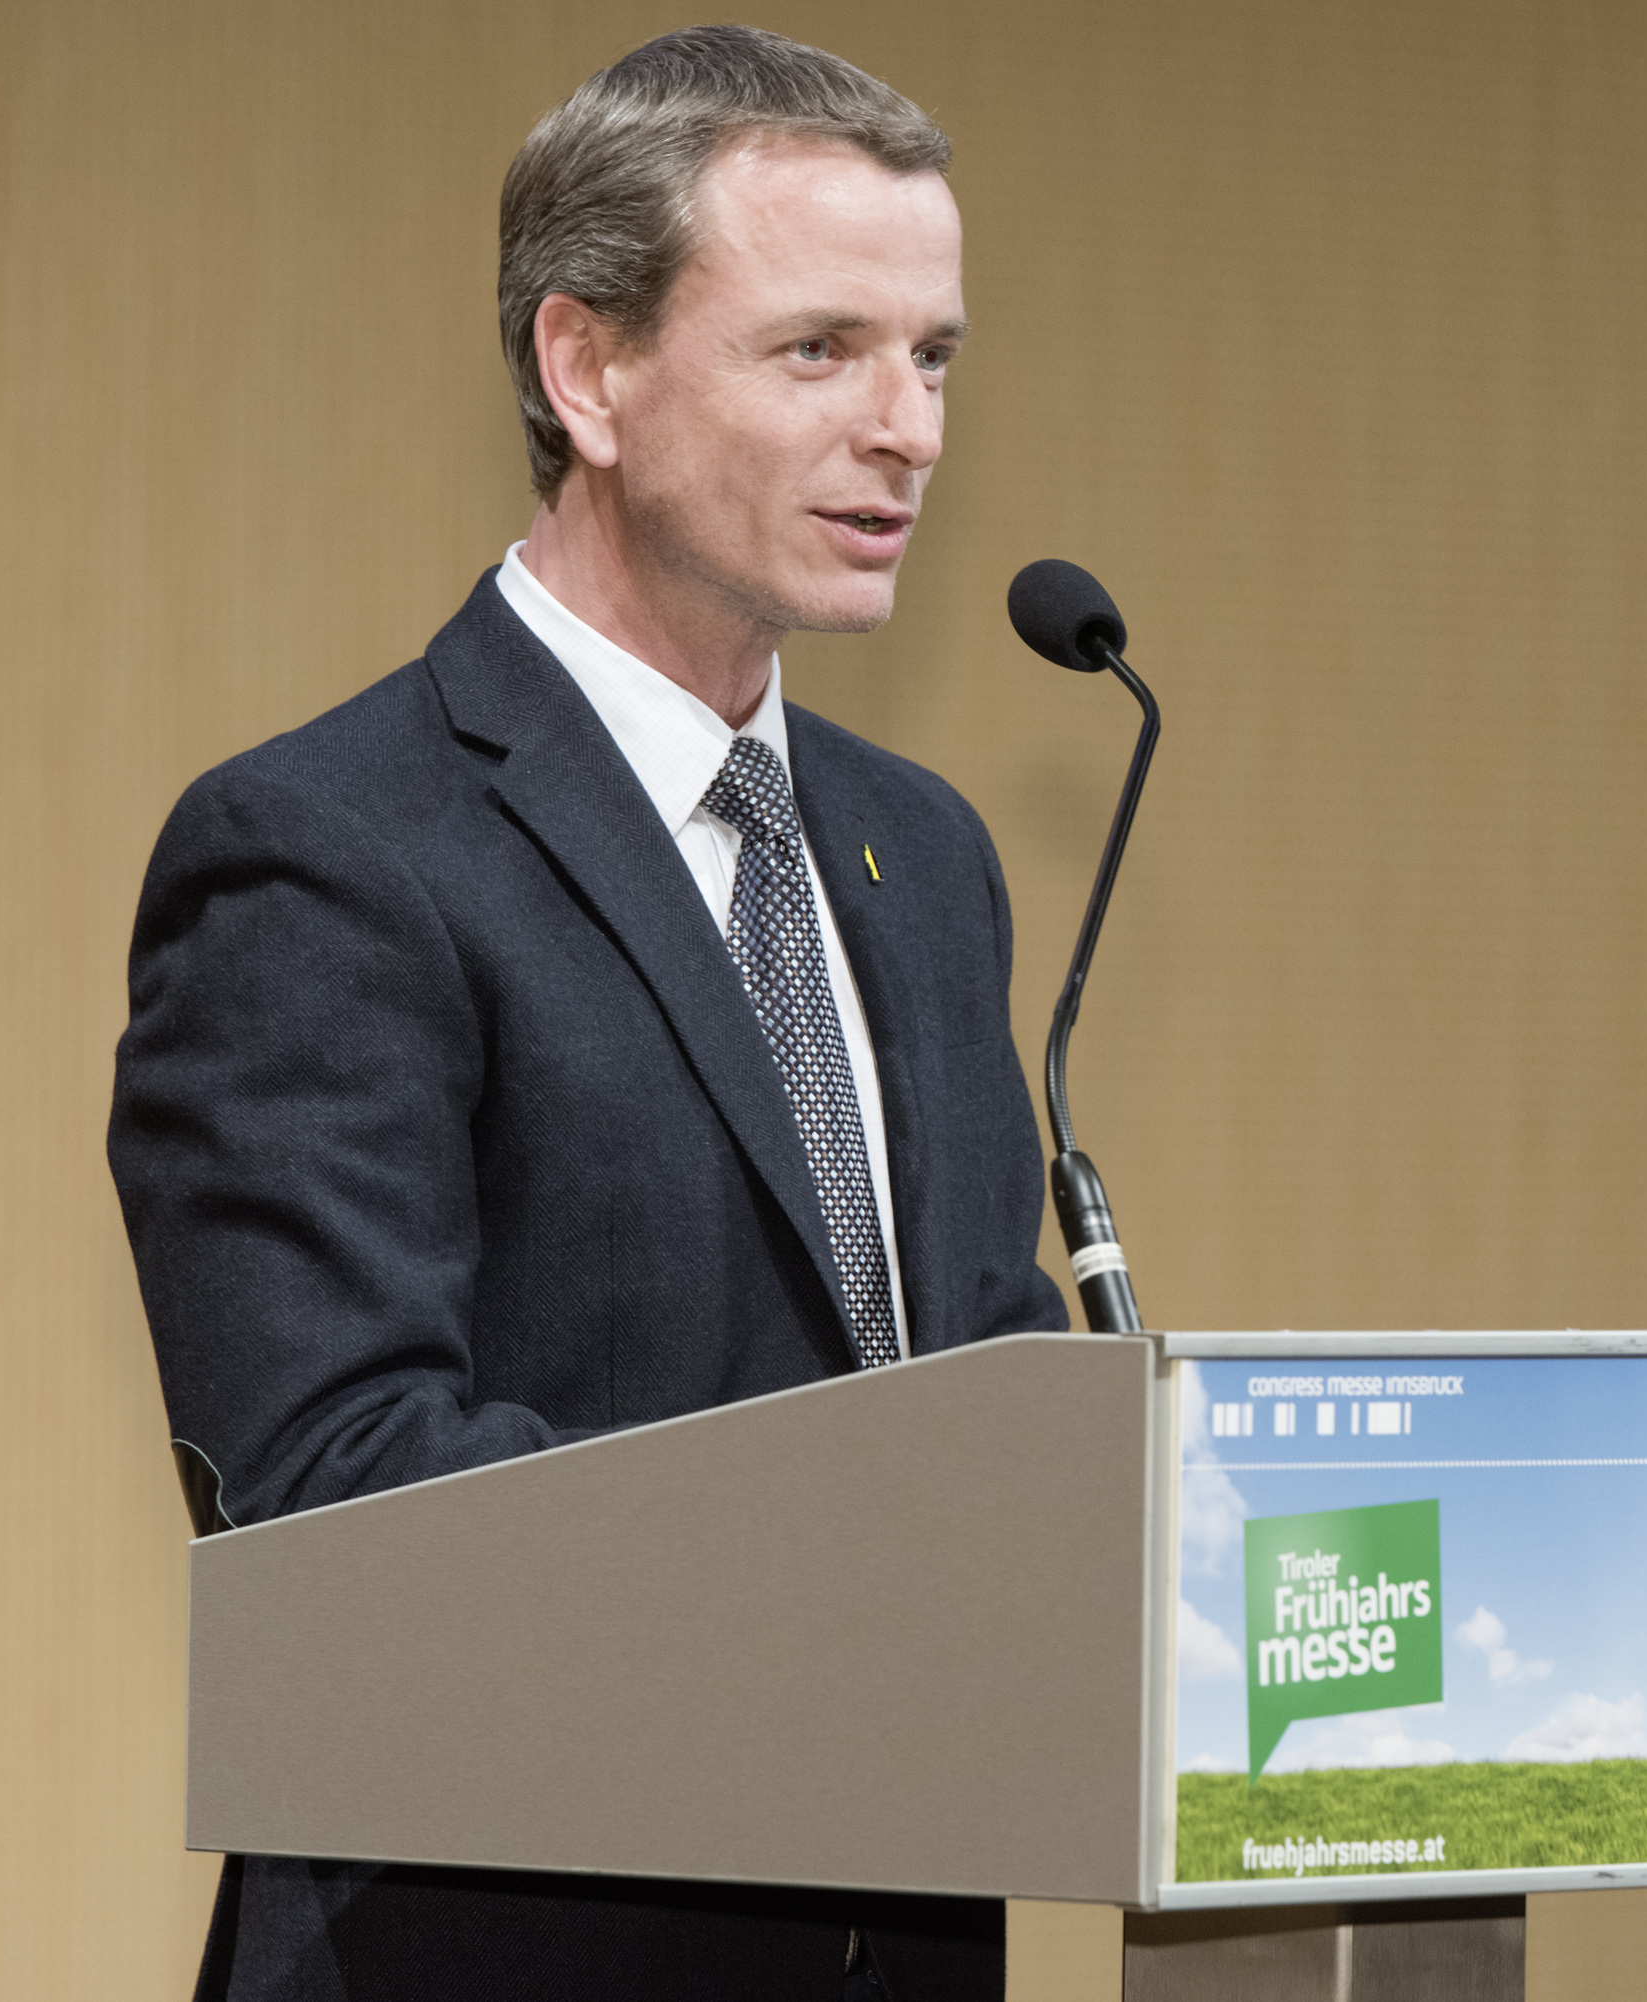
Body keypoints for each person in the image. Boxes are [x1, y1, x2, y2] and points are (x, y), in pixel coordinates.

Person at [107, 26, 1066, 2001]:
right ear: (588, 369)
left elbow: (984, 1402)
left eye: (936, 353)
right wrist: (859, 1609)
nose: (909, 427)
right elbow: (346, 1481)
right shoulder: (324, 852)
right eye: (823, 349)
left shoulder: (924, 852)